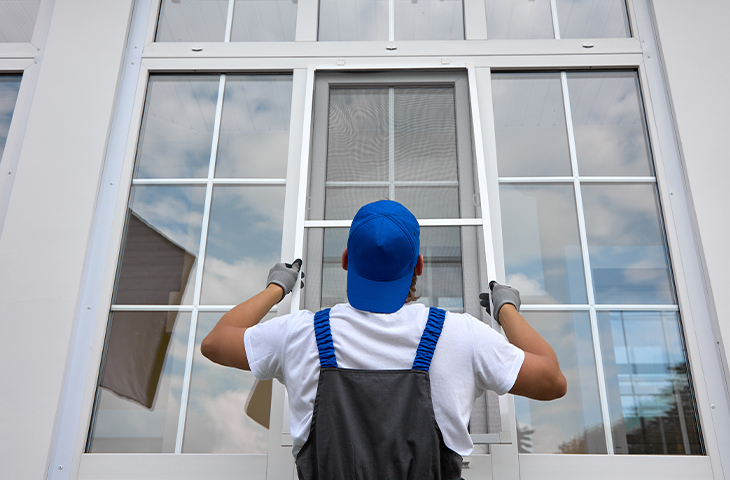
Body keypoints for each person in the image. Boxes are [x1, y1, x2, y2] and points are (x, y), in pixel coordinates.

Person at [201, 200, 566, 480]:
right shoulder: (459, 334)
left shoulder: (300, 334)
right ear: (418, 265)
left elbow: (216, 341)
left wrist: (276, 289)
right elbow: (552, 380)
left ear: (345, 260)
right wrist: (505, 311)